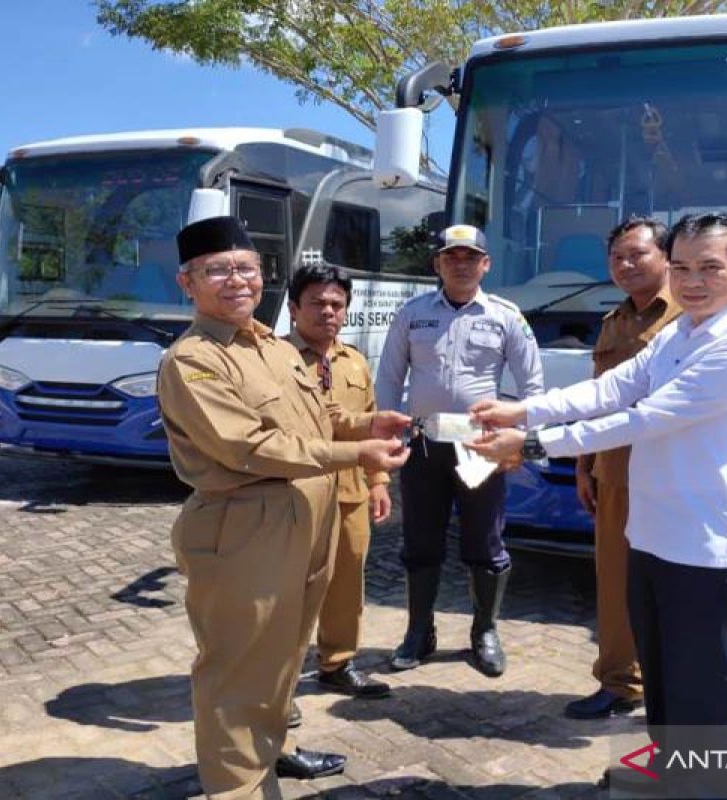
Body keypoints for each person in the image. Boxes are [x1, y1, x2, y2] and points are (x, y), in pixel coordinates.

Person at [468, 213, 727, 796]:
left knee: (704, 693)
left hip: (708, 547)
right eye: (683, 267)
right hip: (654, 535)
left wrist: (533, 444)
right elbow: (615, 387)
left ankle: (711, 790)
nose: (691, 281)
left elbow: (642, 420)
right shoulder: (681, 331)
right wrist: (524, 410)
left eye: (709, 268)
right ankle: (669, 773)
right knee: (664, 680)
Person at [156, 216, 410, 799]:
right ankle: (237, 788)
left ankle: (268, 758)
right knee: (239, 671)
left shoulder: (270, 345)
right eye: (217, 270)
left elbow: (312, 420)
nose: (238, 280)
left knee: (283, 662)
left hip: (305, 516)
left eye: (246, 268)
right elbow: (249, 446)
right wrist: (354, 449)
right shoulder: (195, 359)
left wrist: (368, 422)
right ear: (187, 283)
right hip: (248, 525)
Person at [376, 223, 544, 678]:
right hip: (425, 444)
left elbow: (532, 385)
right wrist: (390, 432)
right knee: (420, 541)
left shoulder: (506, 316)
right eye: (452, 256)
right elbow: (390, 376)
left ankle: (484, 633)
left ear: (485, 264)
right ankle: (419, 631)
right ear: (437, 264)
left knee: (484, 541)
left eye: (471, 256)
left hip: (479, 448)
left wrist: (521, 440)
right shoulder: (412, 314)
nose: (461, 263)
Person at [565, 217, 682, 721]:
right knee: (614, 586)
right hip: (614, 474)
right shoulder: (613, 321)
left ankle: (674, 690)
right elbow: (598, 400)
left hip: (671, 478)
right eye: (617, 257)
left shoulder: (690, 320)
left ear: (665, 257)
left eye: (638, 254)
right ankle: (619, 683)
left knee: (673, 590)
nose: (626, 264)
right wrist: (584, 467)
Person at [284, 263, 393, 699]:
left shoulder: (356, 362)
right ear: (294, 309)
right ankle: (280, 674)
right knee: (291, 589)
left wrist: (379, 480)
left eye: (337, 304)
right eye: (317, 303)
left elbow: (371, 426)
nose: (328, 311)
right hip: (296, 493)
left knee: (347, 585)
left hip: (350, 493)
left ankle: (337, 663)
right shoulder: (278, 360)